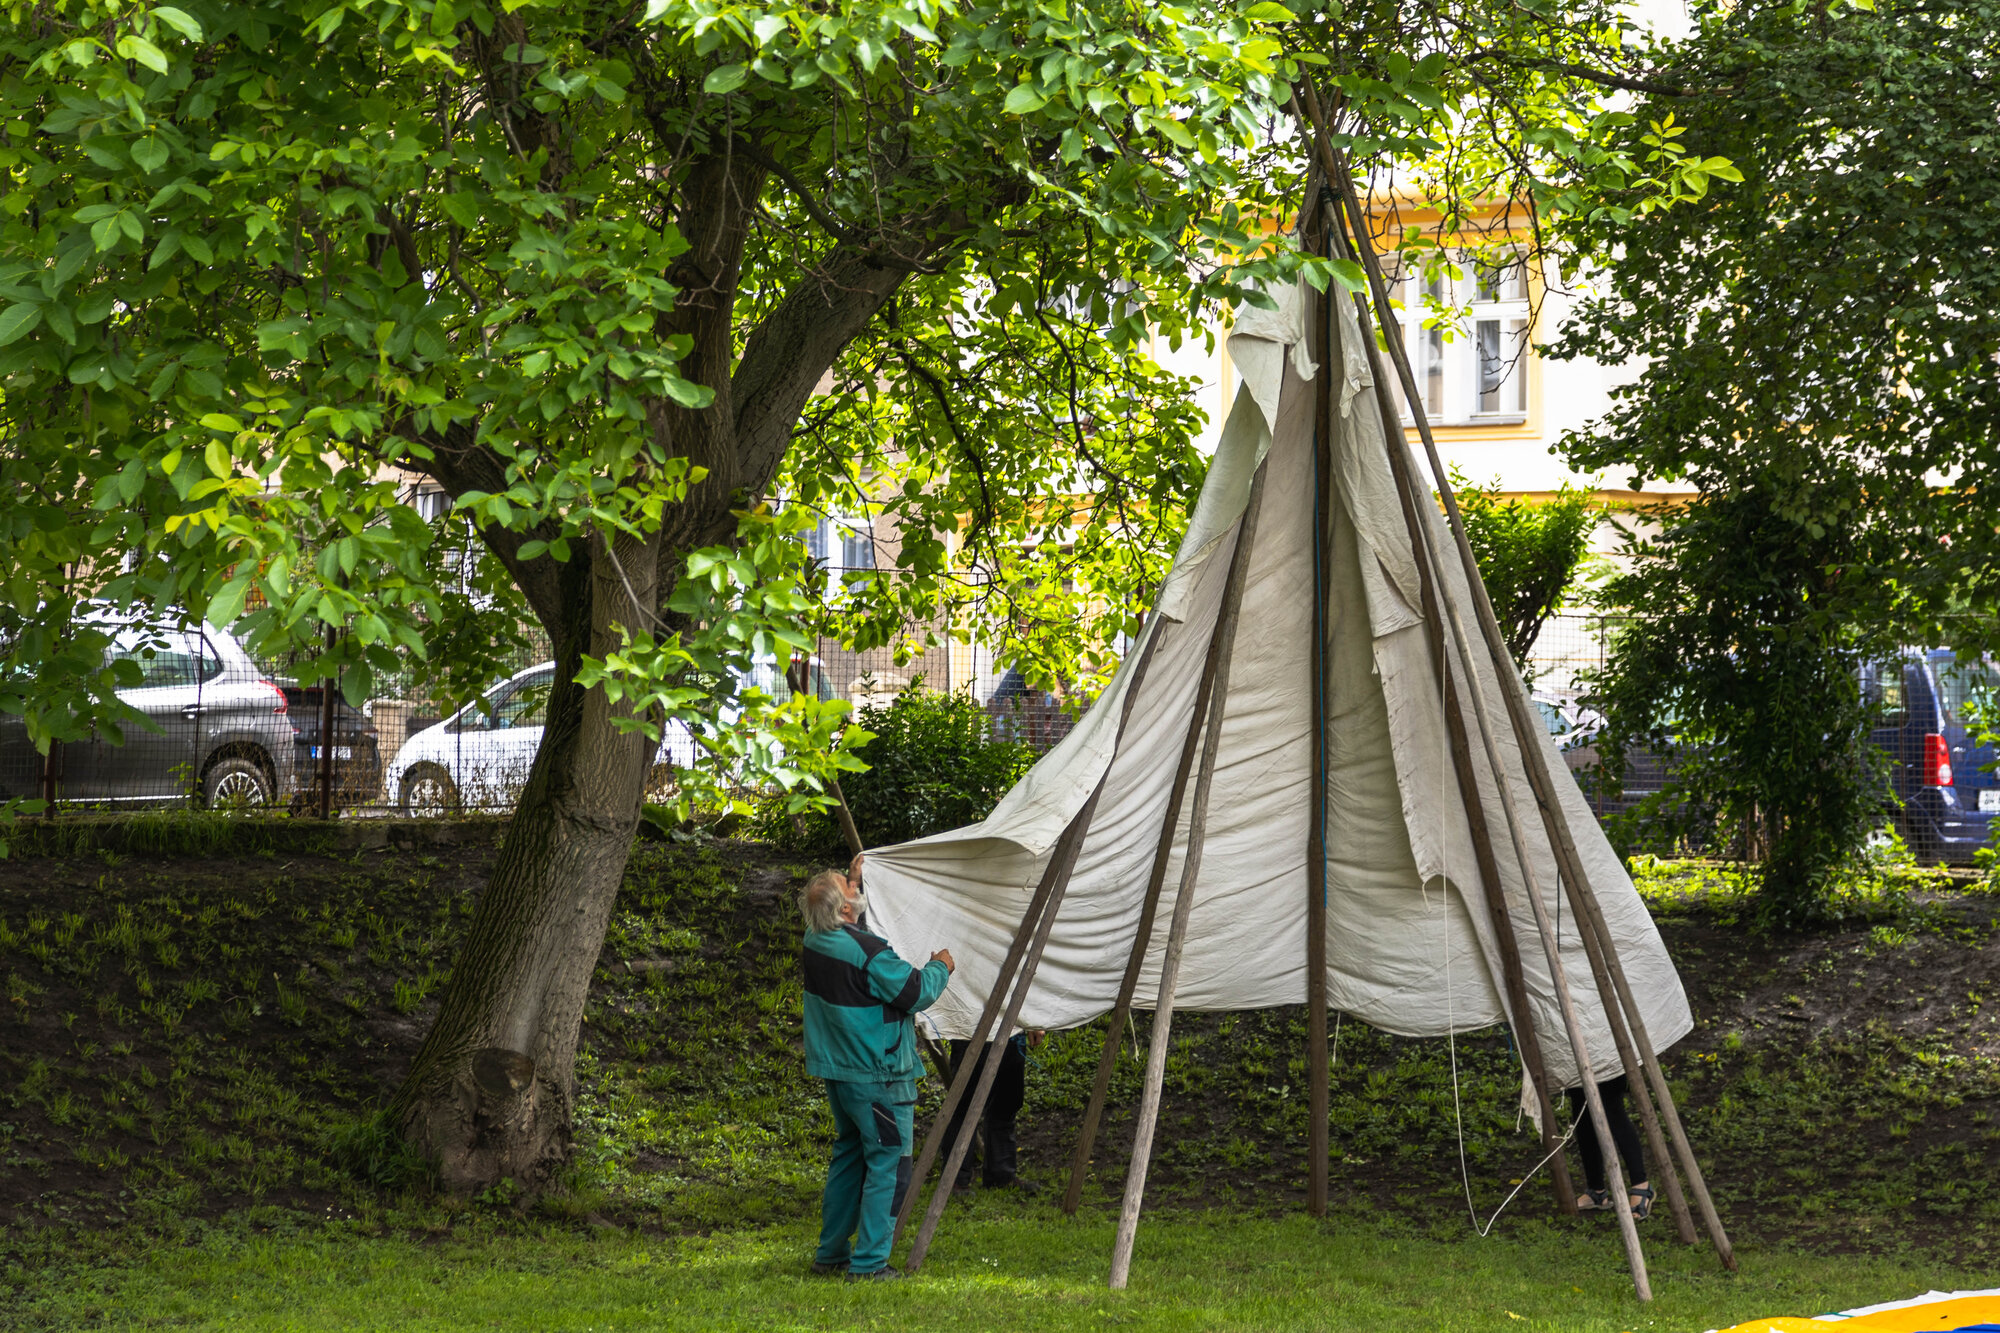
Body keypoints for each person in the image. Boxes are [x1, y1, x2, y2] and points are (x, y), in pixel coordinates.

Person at [801, 852, 955, 1281]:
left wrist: (856, 881)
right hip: (879, 1077)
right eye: (849, 886)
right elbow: (916, 992)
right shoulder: (868, 954)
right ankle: (869, 1265)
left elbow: (855, 945)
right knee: (890, 1164)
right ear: (844, 910)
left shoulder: (815, 940)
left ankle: (831, 1254)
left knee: (850, 1158)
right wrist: (942, 966)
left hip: (841, 1075)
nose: (854, 887)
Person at [940, 1031, 1042, 1193]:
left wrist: (1032, 1024)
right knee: (965, 1106)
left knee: (1006, 1103)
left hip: (1014, 1034)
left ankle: (1001, 1175)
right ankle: (955, 1180)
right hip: (972, 1031)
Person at [1569, 1074, 1654, 1219]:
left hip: (1604, 1062)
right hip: (1572, 1064)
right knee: (1582, 1116)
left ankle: (1640, 1185)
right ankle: (1596, 1190)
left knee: (1613, 1108)